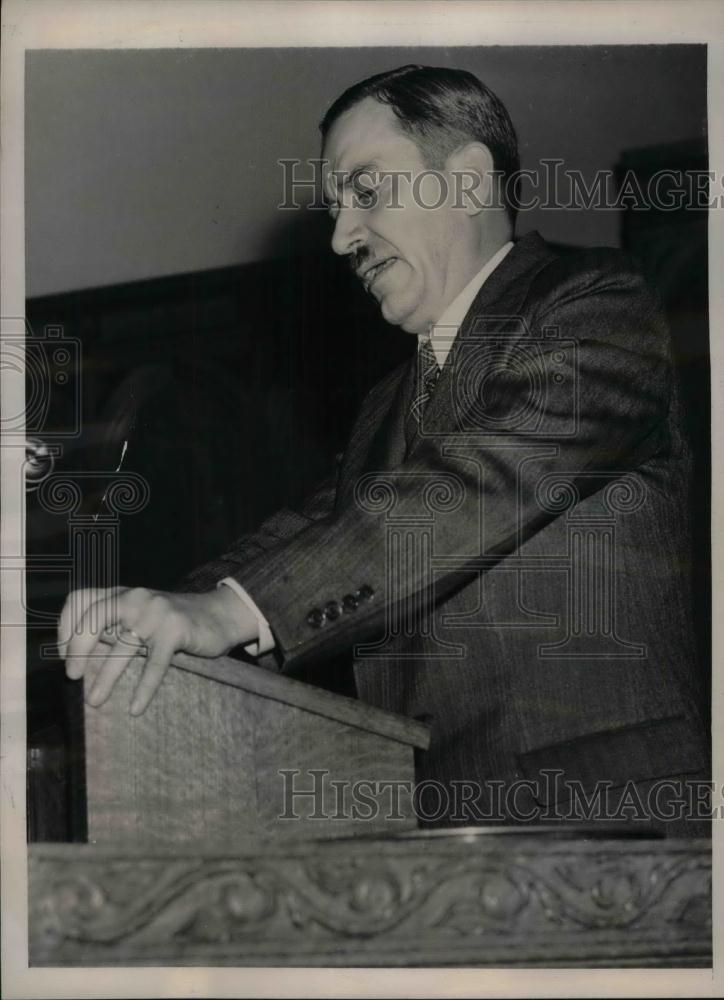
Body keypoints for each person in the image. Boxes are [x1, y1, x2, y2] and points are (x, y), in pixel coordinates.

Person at [59, 65, 710, 832]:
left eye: (365, 193)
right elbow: (316, 530)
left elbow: (477, 483)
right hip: (437, 821)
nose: (341, 239)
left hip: (608, 815)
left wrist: (227, 611)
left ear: (467, 181)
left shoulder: (596, 303)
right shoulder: (386, 402)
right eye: (336, 210)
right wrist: (161, 611)